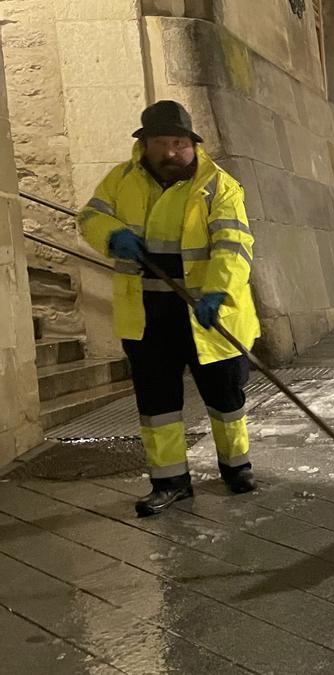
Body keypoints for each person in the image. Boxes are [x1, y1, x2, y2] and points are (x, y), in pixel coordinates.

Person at [78, 100, 260, 516]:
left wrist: (217, 293)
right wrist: (112, 236)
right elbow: (90, 216)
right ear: (145, 145)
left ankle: (237, 468)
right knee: (157, 402)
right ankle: (170, 482)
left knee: (226, 396)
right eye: (162, 142)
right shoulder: (120, 181)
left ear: (193, 145)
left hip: (207, 311)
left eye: (180, 143)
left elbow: (234, 246)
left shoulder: (219, 186)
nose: (172, 152)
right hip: (146, 314)